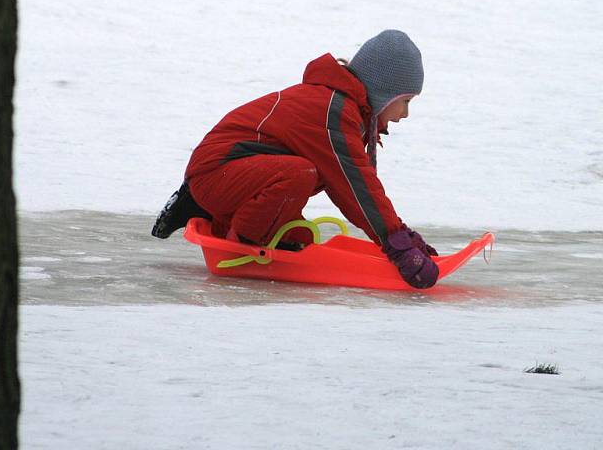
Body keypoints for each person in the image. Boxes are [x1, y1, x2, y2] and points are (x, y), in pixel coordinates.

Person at [152, 29, 439, 289]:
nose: (406, 113)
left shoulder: (339, 109)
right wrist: (397, 244)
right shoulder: (331, 112)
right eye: (406, 101)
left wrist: (402, 235)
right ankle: (242, 246)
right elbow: (357, 188)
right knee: (299, 173)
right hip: (216, 172)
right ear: (383, 93)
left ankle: (217, 216)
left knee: (300, 237)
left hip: (232, 172)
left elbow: (356, 186)